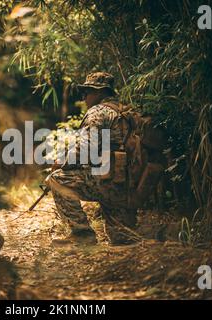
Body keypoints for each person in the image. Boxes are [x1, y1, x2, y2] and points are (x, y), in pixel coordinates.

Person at [45, 72, 137, 246]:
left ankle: (82, 234)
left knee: (57, 180)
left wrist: (60, 163)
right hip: (128, 182)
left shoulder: (98, 112)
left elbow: (86, 149)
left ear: (100, 92)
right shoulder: (126, 110)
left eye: (86, 92)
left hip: (106, 180)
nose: (84, 97)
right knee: (123, 238)